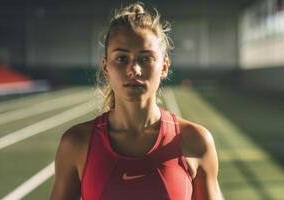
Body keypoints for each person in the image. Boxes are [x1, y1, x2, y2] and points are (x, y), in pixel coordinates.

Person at [50, 2, 223, 200]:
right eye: (122, 59)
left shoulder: (195, 141)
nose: (134, 70)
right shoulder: (76, 143)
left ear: (164, 67)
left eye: (146, 58)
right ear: (106, 67)